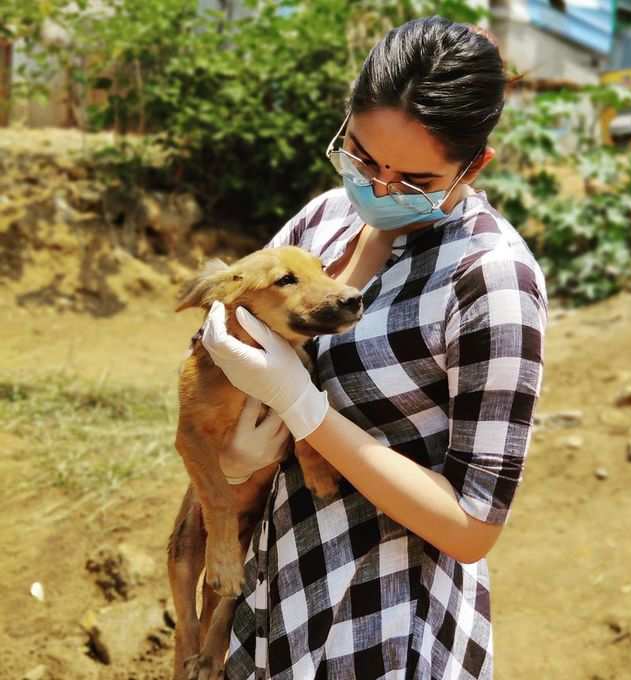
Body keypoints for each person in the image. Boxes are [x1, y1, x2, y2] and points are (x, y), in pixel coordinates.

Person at [201, 16, 548, 680]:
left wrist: (306, 412)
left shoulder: (491, 280)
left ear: (474, 164)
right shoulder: (321, 222)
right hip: (275, 584)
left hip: (387, 616)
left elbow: (471, 527)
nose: (379, 189)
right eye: (362, 156)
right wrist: (234, 462)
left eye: (414, 178)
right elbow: (220, 357)